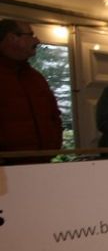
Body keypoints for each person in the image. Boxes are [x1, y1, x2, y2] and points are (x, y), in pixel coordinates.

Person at [0, 19, 62, 164]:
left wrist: (54, 145)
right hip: (6, 168)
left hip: (41, 163)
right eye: (31, 35)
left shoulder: (35, 78)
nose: (37, 40)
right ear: (12, 38)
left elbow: (53, 115)